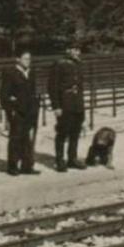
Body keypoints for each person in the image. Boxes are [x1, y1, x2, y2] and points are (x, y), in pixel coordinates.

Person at [0, 50, 40, 175]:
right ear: (18, 59)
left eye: (29, 59)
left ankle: (27, 166)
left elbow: (32, 92)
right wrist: (10, 110)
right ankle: (12, 166)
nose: (28, 61)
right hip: (17, 111)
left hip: (29, 110)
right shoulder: (10, 73)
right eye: (25, 59)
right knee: (15, 138)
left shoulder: (31, 72)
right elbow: (4, 95)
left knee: (27, 139)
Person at [47, 41, 86, 172]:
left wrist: (81, 103)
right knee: (62, 132)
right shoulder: (59, 64)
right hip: (65, 103)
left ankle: (72, 159)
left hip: (77, 103)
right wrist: (56, 106)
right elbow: (52, 87)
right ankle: (59, 160)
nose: (76, 52)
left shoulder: (79, 64)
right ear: (67, 50)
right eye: (73, 49)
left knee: (75, 132)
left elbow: (80, 85)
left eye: (78, 50)